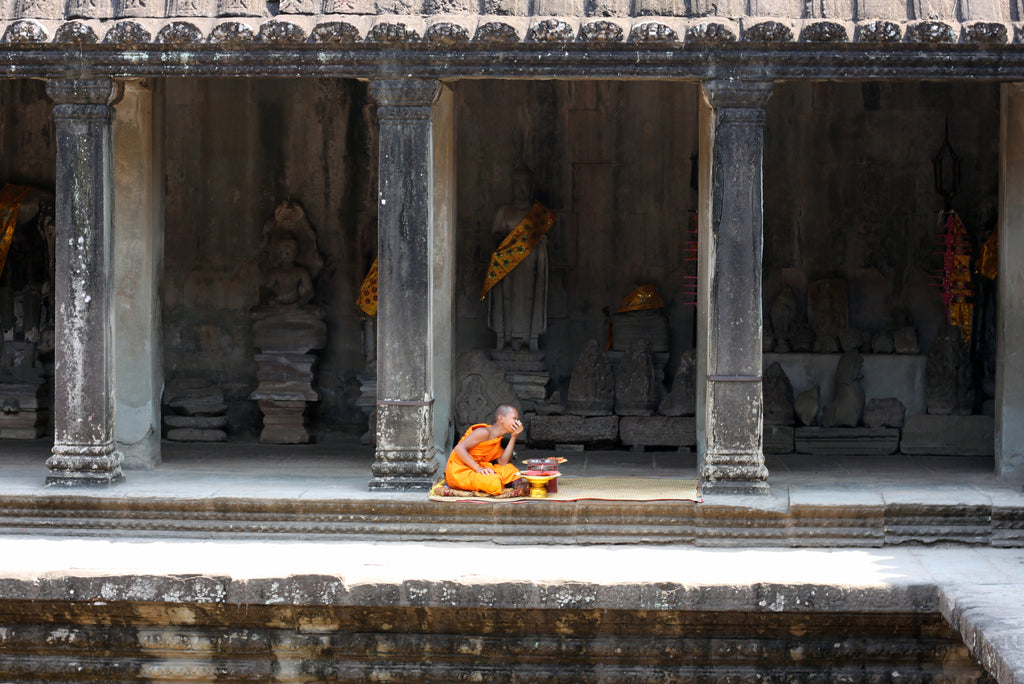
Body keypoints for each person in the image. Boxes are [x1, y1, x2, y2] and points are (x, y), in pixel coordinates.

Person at [445, 404, 525, 496]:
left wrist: (514, 437)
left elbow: (502, 462)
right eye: (514, 419)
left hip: (479, 466)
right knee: (494, 482)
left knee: (512, 471)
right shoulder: (483, 432)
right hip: (461, 470)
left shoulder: (497, 438)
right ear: (501, 418)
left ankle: (499, 482)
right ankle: (497, 483)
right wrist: (478, 468)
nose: (518, 422)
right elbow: (459, 448)